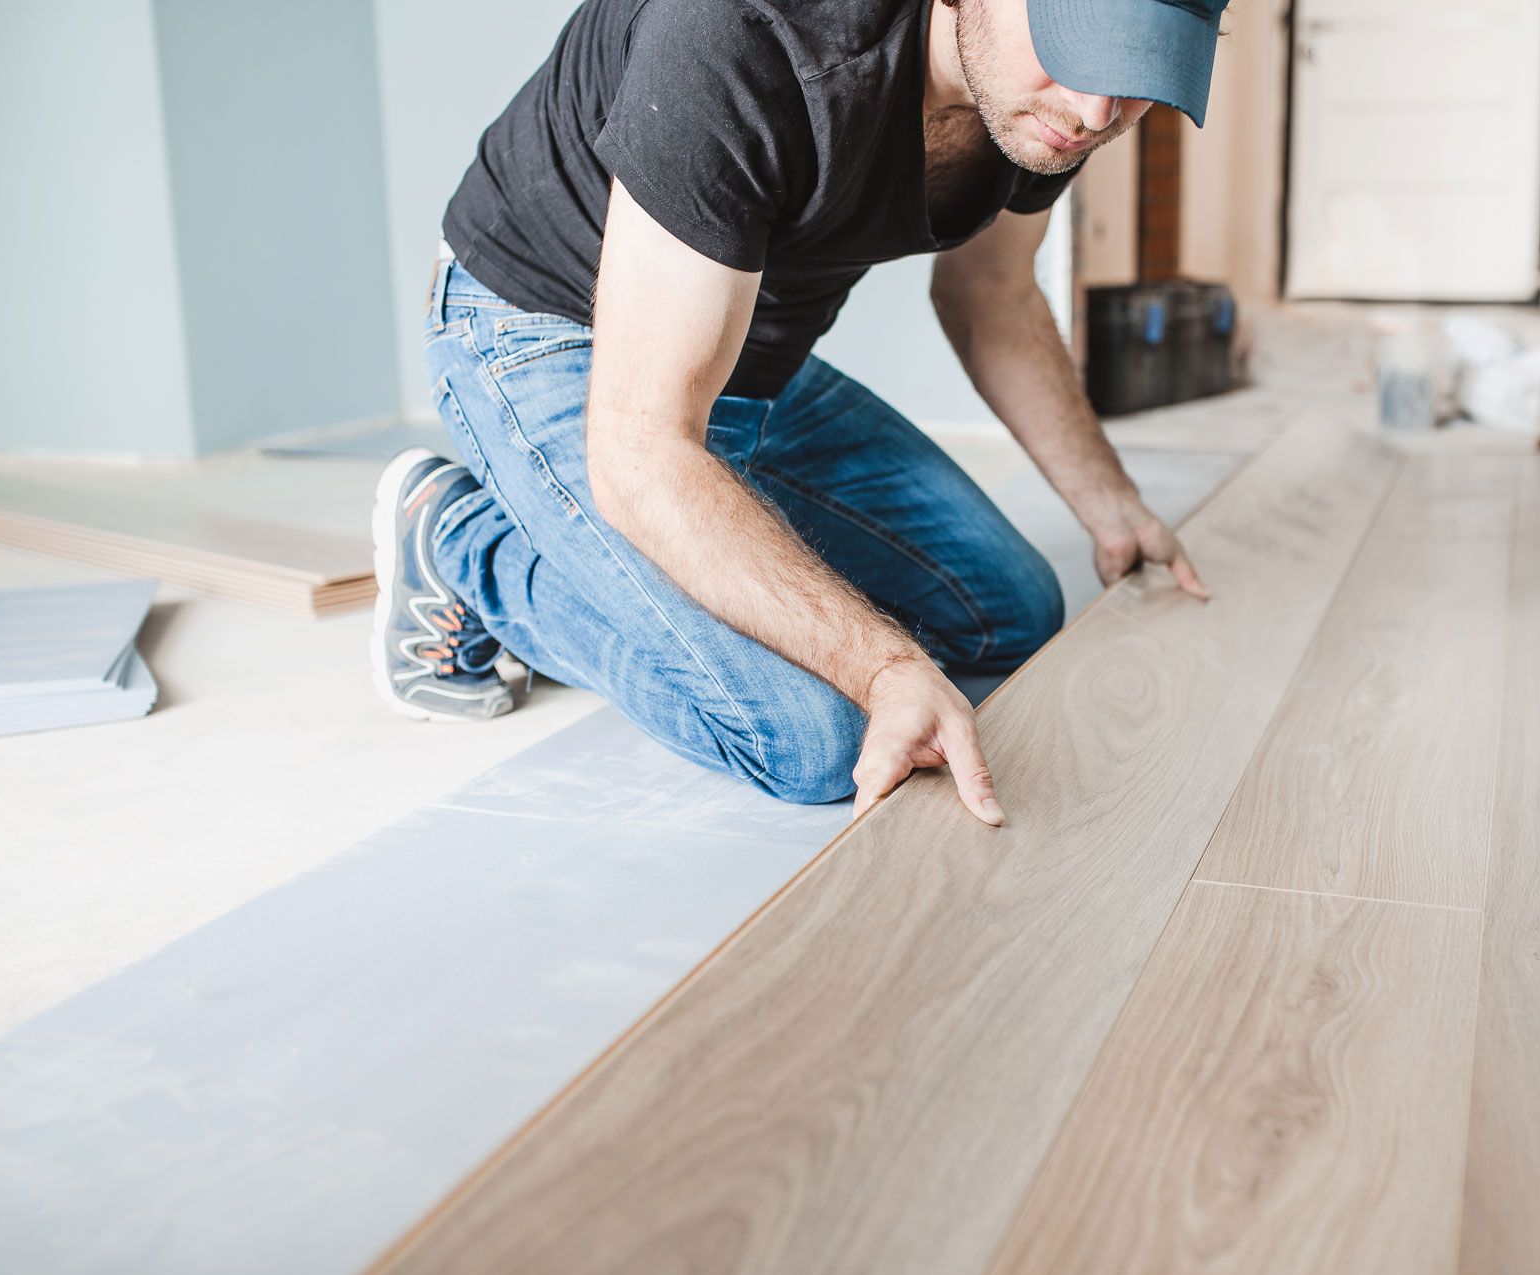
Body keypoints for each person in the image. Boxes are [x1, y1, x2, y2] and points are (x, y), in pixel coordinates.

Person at [371, 0, 1225, 825]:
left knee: (1011, 610)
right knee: (810, 736)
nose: (1094, 109)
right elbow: (642, 449)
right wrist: (884, 664)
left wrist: (1112, 505)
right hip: (550, 328)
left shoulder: (1051, 107)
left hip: (738, 357)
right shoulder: (738, 29)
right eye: (1075, 48)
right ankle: (458, 540)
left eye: (1136, 69)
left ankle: (569, 522)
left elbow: (993, 297)